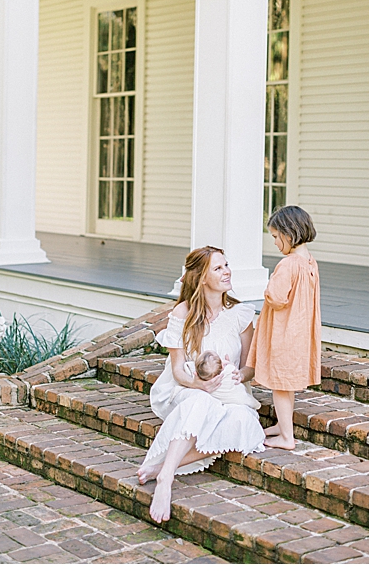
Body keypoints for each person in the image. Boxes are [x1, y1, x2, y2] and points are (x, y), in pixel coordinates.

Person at [136, 246, 266, 523]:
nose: (227, 271)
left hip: (228, 392)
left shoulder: (240, 315)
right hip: (186, 389)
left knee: (244, 421)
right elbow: (177, 371)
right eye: (218, 268)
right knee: (202, 402)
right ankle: (166, 480)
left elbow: (251, 367)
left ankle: (160, 466)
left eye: (227, 265)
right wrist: (198, 384)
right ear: (201, 277)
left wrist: (239, 376)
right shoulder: (183, 313)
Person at [247, 205, 322, 450]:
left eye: (276, 237)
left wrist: (267, 289)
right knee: (286, 384)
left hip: (285, 333)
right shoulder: (310, 262)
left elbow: (276, 298)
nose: (275, 243)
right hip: (299, 332)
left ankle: (287, 438)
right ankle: (282, 425)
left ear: (290, 234)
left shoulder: (288, 265)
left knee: (279, 385)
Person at [194, 350, 262, 409]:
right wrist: (230, 365)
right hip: (237, 399)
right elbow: (231, 368)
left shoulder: (203, 378)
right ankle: (254, 403)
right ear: (223, 366)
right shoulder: (229, 370)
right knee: (244, 398)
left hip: (215, 401)